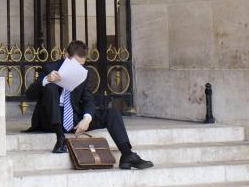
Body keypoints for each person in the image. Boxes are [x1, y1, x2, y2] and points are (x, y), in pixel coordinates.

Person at [25, 41, 154, 170]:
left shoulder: (84, 73)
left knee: (112, 112)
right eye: (75, 64)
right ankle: (60, 139)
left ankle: (127, 155)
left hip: (73, 119)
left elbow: (88, 99)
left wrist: (87, 119)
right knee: (51, 87)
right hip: (50, 120)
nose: (78, 68)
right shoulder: (49, 67)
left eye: (81, 65)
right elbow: (29, 95)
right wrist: (46, 80)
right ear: (66, 56)